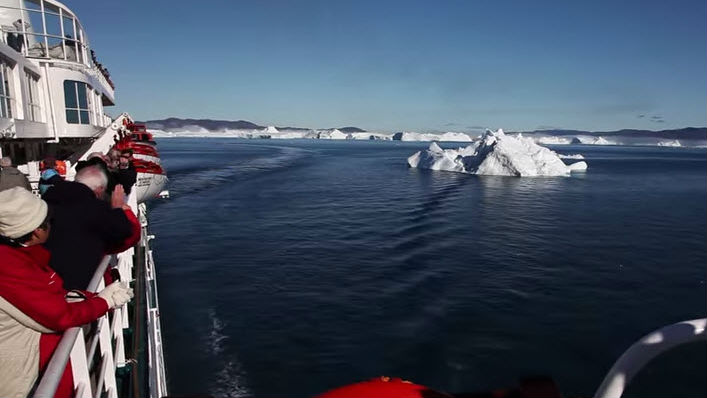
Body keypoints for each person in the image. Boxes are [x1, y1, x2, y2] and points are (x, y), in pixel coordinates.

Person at [0, 187, 133, 398]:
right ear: (36, 231)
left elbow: (41, 299)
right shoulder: (9, 266)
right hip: (22, 380)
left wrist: (89, 298)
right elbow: (59, 316)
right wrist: (105, 302)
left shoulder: (17, 257)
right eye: (48, 221)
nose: (53, 225)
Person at [43, 165, 140, 290]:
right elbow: (128, 235)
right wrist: (119, 209)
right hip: (73, 288)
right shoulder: (97, 210)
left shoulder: (47, 200)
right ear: (99, 190)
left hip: (42, 279)